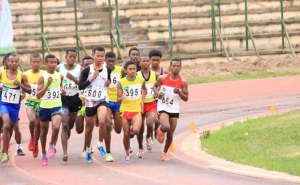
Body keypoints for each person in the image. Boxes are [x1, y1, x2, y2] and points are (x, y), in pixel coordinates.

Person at [79, 46, 110, 163]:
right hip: (90, 101)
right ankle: (87, 150)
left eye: (102, 56)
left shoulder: (107, 69)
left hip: (102, 99)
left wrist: (108, 82)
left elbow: (108, 81)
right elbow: (81, 86)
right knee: (89, 128)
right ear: (93, 55)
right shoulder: (87, 70)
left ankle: (100, 145)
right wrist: (92, 78)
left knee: (102, 121)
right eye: (98, 56)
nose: (100, 58)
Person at [153, 58, 189, 161]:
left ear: (180, 68)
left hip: (174, 108)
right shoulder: (162, 78)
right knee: (166, 126)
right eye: (174, 66)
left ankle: (164, 153)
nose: (176, 68)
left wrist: (179, 93)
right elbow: (154, 86)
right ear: (170, 67)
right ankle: (160, 129)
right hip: (163, 106)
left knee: (170, 133)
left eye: (178, 66)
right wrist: (157, 93)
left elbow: (186, 98)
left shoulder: (183, 82)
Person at [0, 54, 32, 163]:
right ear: (7, 63)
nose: (14, 63)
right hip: (4, 104)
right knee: (5, 125)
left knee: (10, 128)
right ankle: (4, 152)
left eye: (16, 62)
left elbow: (29, 91)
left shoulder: (22, 76)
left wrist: (20, 86)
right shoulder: (2, 74)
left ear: (19, 63)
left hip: (15, 106)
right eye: (11, 61)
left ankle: (4, 149)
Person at [37, 54, 64, 166]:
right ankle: (43, 154)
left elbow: (61, 87)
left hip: (56, 105)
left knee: (56, 127)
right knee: (44, 132)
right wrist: (47, 84)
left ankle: (52, 144)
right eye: (51, 62)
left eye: (55, 62)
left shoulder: (60, 76)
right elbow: (38, 95)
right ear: (46, 63)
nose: (53, 65)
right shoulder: (42, 77)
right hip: (45, 107)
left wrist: (62, 91)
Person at [117, 61, 146, 163]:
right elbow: (118, 99)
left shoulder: (140, 80)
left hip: (136, 109)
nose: (133, 71)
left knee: (137, 130)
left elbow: (144, 90)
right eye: (130, 69)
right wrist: (122, 97)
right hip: (125, 110)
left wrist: (142, 100)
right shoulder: (121, 82)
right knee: (126, 134)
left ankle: (131, 128)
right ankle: (127, 154)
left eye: (134, 69)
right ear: (126, 70)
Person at [57, 49, 83, 162]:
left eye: (74, 56)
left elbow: (82, 84)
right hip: (63, 99)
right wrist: (59, 89)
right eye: (70, 56)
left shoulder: (79, 69)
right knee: (65, 125)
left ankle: (68, 130)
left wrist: (73, 79)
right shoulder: (59, 68)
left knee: (70, 125)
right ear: (65, 57)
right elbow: (54, 82)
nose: (72, 58)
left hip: (75, 99)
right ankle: (65, 152)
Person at [103, 51, 122, 162]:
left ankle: (113, 123)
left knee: (119, 130)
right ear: (105, 61)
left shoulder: (120, 70)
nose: (110, 63)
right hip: (107, 100)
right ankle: (108, 152)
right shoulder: (102, 71)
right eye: (108, 61)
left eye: (112, 61)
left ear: (115, 61)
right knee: (107, 124)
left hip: (118, 101)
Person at [137, 56, 158, 156]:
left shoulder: (155, 75)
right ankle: (140, 147)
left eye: (147, 61)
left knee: (150, 124)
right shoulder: (136, 75)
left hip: (151, 104)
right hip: (139, 104)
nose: (145, 63)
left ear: (150, 62)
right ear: (140, 63)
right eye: (143, 61)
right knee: (140, 129)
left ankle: (149, 136)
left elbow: (161, 83)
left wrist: (157, 92)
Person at [24, 53, 44, 158]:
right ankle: (32, 138)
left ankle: (36, 144)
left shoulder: (44, 74)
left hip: (41, 102)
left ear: (41, 62)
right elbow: (22, 87)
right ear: (30, 63)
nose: (36, 64)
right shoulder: (25, 74)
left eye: (38, 62)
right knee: (32, 120)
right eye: (34, 62)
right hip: (30, 101)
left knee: (38, 125)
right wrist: (22, 94)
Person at [76, 56, 94, 158]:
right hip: (79, 106)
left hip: (90, 105)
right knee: (79, 129)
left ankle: (86, 148)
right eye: (86, 64)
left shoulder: (96, 77)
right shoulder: (79, 77)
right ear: (83, 66)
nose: (88, 66)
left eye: (90, 64)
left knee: (88, 127)